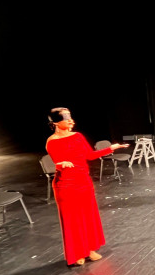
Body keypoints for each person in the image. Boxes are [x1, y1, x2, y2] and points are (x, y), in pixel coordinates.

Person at [45, 107, 129, 266]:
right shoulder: (52, 141)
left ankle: (89, 249)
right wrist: (61, 164)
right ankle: (78, 253)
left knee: (87, 217)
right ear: (55, 122)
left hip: (83, 182)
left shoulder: (78, 136)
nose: (71, 120)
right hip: (65, 185)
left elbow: (89, 155)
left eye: (70, 117)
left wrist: (111, 148)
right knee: (73, 220)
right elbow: (58, 162)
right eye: (65, 118)